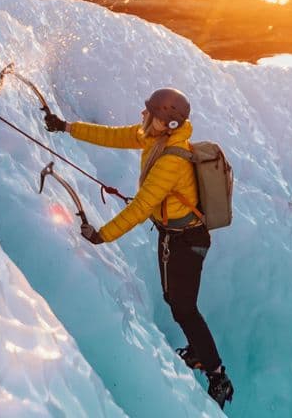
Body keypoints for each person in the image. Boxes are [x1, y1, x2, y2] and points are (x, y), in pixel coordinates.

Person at [42, 88, 234, 409]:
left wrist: (102, 235)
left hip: (187, 239)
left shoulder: (171, 160)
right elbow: (114, 136)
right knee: (175, 300)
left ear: (168, 124)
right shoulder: (155, 138)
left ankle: (217, 375)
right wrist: (66, 127)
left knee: (184, 306)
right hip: (174, 235)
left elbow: (143, 205)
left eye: (152, 114)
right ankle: (199, 353)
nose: (144, 116)